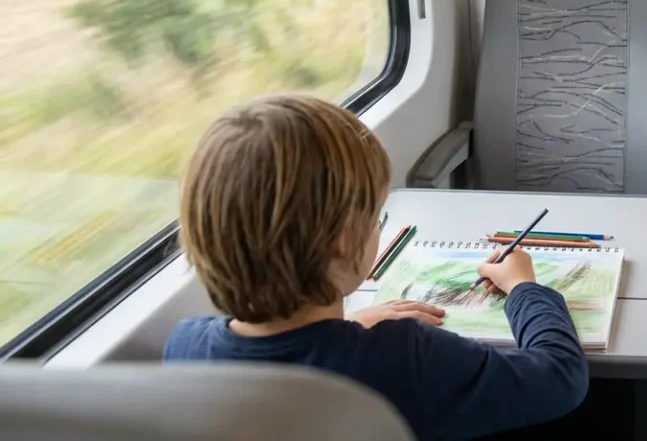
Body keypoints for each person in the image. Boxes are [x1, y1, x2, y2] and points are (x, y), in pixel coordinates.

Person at [162, 94, 589, 441]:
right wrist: (524, 288)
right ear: (344, 242)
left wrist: (348, 326)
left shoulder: (185, 348)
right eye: (375, 218)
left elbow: (297, 353)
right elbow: (559, 378)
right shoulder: (406, 357)